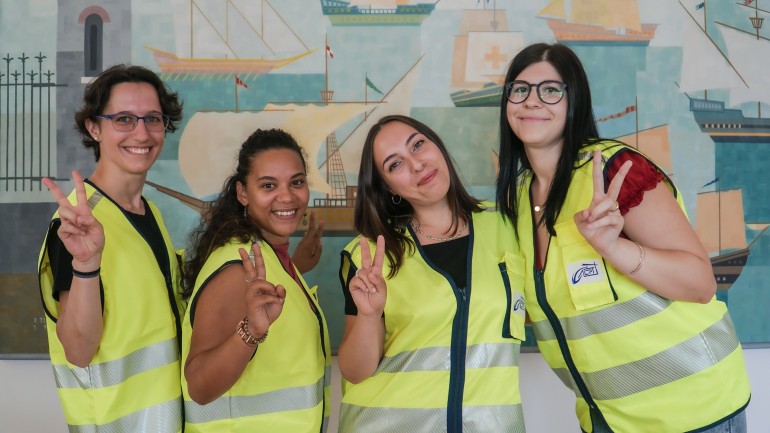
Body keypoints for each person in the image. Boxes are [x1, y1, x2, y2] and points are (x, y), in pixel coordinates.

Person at [496, 42, 751, 433]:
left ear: (574, 101)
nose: (532, 101)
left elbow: (700, 283)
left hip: (694, 410)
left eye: (550, 90)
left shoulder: (617, 171)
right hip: (608, 418)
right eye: (520, 89)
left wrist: (615, 247)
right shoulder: (515, 200)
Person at [337, 114, 527, 432]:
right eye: (395, 164)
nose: (416, 165)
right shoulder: (370, 254)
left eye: (418, 145)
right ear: (388, 186)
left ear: (437, 146)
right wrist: (369, 317)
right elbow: (355, 372)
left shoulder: (507, 228)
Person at [38, 64, 185, 432]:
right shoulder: (75, 225)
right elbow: (78, 350)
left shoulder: (150, 212)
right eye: (123, 119)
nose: (141, 133)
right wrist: (87, 263)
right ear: (94, 128)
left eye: (152, 118)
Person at [181, 128, 330, 432]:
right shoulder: (237, 269)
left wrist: (294, 268)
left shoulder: (271, 259)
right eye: (268, 185)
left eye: (297, 182)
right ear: (243, 193)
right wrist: (251, 332)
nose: (287, 196)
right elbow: (199, 386)